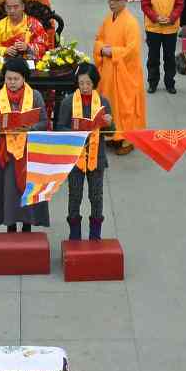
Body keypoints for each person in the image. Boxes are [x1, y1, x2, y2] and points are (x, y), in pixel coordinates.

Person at [0, 58, 49, 232]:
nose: (12, 83)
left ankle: (28, 225)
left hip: (29, 152)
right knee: (8, 192)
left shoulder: (35, 96)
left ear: (24, 79)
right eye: (8, 79)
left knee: (27, 190)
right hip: (5, 154)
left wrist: (30, 128)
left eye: (16, 79)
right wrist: (4, 129)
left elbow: (44, 121)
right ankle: (10, 226)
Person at [92, 0, 147, 150]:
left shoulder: (130, 23)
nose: (111, 3)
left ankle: (127, 139)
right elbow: (98, 38)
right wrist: (101, 49)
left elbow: (131, 50)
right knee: (109, 105)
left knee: (125, 107)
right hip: (109, 72)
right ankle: (112, 134)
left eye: (115, 0)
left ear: (125, 1)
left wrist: (111, 51)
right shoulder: (109, 19)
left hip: (125, 73)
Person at [62, 63, 112, 240]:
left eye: (88, 83)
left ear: (94, 83)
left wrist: (108, 123)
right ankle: (74, 235)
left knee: (96, 196)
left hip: (96, 158)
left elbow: (111, 132)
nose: (84, 87)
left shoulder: (103, 102)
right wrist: (77, 133)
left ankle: (95, 235)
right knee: (74, 196)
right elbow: (60, 128)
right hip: (75, 159)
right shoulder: (68, 102)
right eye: (81, 83)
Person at [141, 0, 184, 94]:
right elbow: (145, 4)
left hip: (170, 28)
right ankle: (152, 83)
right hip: (153, 27)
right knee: (153, 57)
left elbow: (179, 4)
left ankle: (170, 83)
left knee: (169, 57)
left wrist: (171, 18)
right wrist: (155, 17)